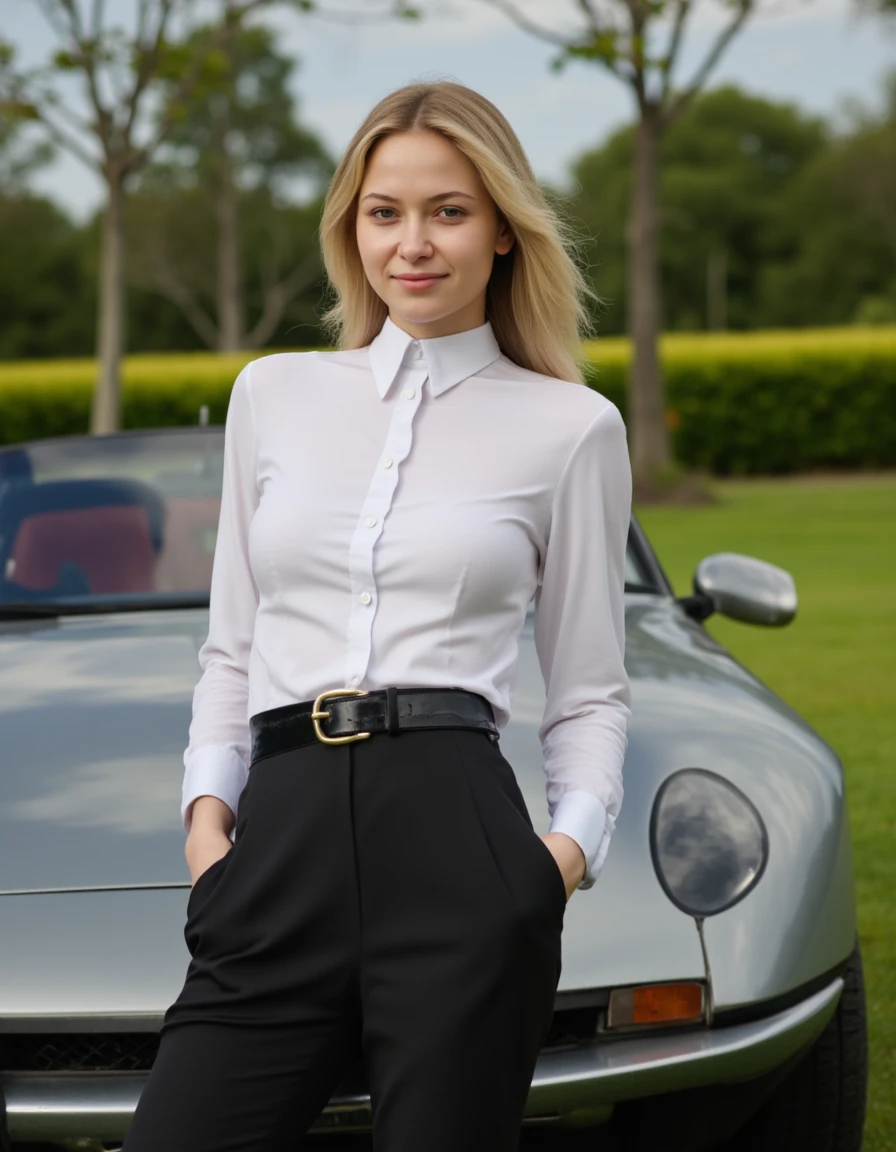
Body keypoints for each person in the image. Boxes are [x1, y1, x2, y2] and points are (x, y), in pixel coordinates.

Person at [122, 79, 632, 1152]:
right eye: (382, 211)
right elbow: (234, 644)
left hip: (461, 850)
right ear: (349, 228)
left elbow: (587, 687)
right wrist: (205, 820)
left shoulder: (571, 428)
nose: (413, 243)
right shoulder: (274, 395)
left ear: (501, 229)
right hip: (276, 849)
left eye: (448, 211)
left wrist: (556, 862)